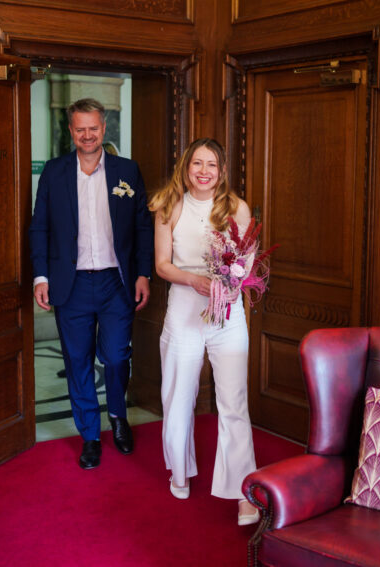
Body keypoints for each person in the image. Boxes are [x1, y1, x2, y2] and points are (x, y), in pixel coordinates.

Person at [30, 98, 153, 469]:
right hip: (72, 284)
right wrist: (41, 276)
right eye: (80, 129)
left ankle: (117, 415)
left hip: (117, 282)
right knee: (78, 360)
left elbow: (143, 226)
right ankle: (89, 435)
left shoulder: (127, 171)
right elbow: (40, 227)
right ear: (71, 131)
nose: (87, 135)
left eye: (93, 128)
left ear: (104, 128)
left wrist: (143, 273)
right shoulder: (54, 172)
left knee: (116, 356)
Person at [148, 137, 260, 526]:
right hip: (184, 310)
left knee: (234, 401)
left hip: (227, 315)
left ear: (221, 171)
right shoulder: (169, 206)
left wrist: (234, 281)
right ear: (186, 166)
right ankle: (180, 472)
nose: (204, 171)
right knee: (178, 395)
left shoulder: (236, 208)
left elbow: (247, 259)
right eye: (197, 163)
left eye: (211, 165)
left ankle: (243, 493)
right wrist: (195, 280)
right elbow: (162, 264)